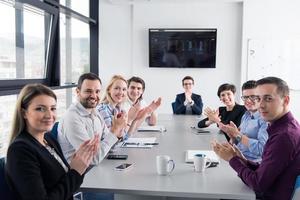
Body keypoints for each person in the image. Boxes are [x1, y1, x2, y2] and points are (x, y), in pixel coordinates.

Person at [5, 83, 99, 200]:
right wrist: (75, 171)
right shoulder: (20, 150)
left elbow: (63, 182)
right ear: (24, 113)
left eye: (53, 108)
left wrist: (81, 164)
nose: (49, 115)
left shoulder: (48, 139)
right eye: (40, 109)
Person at [212, 77, 300, 200]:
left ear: (285, 101)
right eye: (259, 98)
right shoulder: (280, 127)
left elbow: (258, 184)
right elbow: (266, 170)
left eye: (268, 99)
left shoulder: (284, 136)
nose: (261, 105)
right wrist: (241, 159)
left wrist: (232, 159)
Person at [58, 73, 126, 165]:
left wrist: (118, 133)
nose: (94, 95)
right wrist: (114, 131)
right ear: (78, 92)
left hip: (97, 167)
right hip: (82, 174)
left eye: (97, 91)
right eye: (88, 91)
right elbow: (93, 159)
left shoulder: (95, 113)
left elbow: (111, 148)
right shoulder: (72, 118)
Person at [218, 80, 268, 161]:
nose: (248, 101)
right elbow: (238, 140)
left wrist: (237, 134)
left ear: (260, 97)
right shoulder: (246, 115)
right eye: (245, 97)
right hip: (237, 157)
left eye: (252, 96)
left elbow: (261, 150)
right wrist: (232, 137)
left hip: (251, 164)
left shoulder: (265, 120)